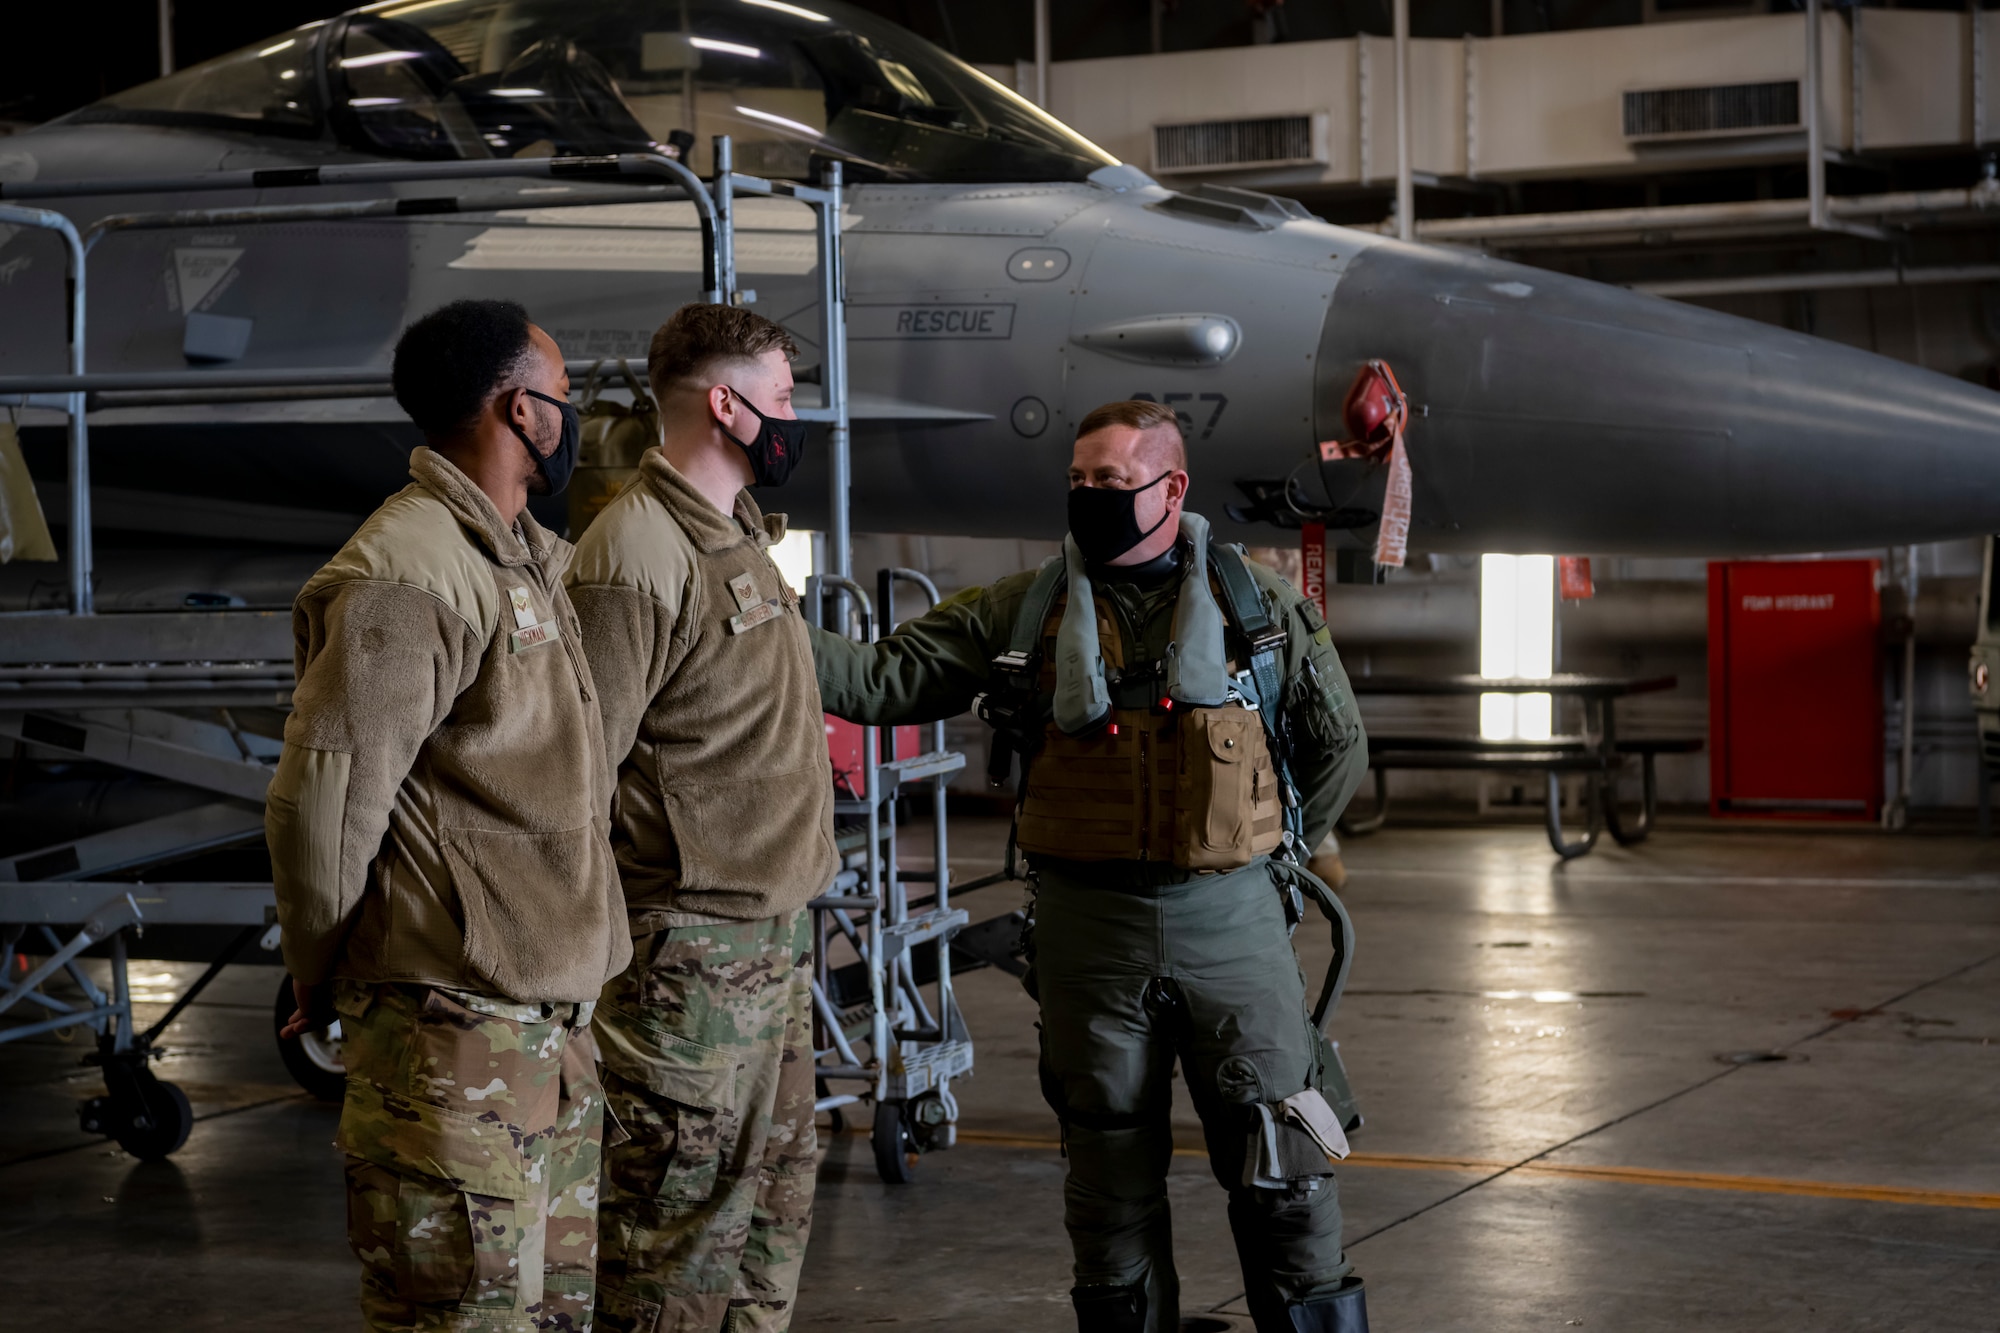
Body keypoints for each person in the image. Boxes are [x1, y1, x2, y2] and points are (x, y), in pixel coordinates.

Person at [811, 400, 1372, 1333]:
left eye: (1110, 482)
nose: (1089, 498)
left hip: (1228, 927)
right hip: (1086, 937)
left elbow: (1335, 747)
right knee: (1105, 1187)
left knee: (1285, 1172)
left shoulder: (1257, 607)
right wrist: (744, 613)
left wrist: (1269, 850)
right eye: (1078, 482)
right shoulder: (1026, 610)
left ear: (1171, 487)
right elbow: (881, 679)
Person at [266, 298, 630, 1333]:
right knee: (458, 1315)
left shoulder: (514, 554)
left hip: (542, 1029)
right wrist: (319, 961)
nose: (570, 417)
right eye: (563, 398)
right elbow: (326, 801)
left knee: (547, 1316)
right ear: (523, 410)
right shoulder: (405, 572)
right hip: (449, 1033)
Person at [565, 303, 836, 1333]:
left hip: (770, 943)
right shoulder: (632, 552)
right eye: (780, 396)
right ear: (723, 405)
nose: (792, 414)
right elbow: (579, 778)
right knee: (669, 1241)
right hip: (683, 962)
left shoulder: (740, 539)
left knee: (767, 1212)